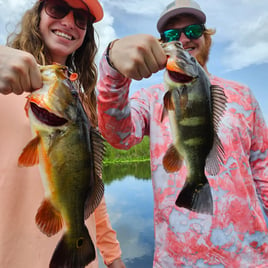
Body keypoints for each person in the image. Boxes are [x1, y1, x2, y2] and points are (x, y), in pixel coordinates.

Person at [97, 0, 268, 267]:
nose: (184, 39)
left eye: (194, 30)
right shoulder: (151, 99)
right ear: (161, 44)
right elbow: (117, 135)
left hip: (250, 258)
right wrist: (112, 66)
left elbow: (263, 168)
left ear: (206, 36)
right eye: (172, 35)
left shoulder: (244, 95)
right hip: (175, 261)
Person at [0, 0, 126, 267]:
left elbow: (90, 191)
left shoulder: (80, 104)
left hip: (80, 255)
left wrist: (113, 257)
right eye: (58, 8)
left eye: (81, 18)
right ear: (37, 16)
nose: (69, 22)